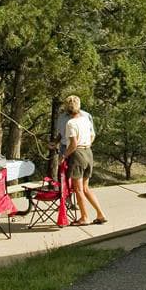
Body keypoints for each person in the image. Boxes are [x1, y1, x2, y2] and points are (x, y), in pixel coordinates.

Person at [62, 95, 107, 226]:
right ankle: (100, 213)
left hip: (78, 155)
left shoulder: (70, 123)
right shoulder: (86, 120)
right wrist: (87, 143)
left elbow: (73, 144)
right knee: (86, 188)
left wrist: (64, 156)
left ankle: (84, 217)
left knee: (79, 189)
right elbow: (93, 135)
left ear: (67, 108)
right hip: (88, 153)